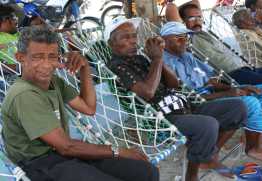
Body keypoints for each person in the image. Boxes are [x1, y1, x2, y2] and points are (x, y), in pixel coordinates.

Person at [1, 26, 159, 181]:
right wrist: (118, 150)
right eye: (37, 57)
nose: (46, 64)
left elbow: (89, 108)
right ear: (20, 58)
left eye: (52, 56)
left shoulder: (53, 81)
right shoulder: (24, 94)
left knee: (145, 171)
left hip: (63, 155)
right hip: (40, 164)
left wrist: (84, 69)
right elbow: (66, 146)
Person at [107, 16, 248, 181]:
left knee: (238, 108)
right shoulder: (117, 66)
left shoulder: (140, 58)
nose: (132, 41)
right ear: (111, 44)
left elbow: (173, 84)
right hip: (162, 119)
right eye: (125, 37)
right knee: (208, 125)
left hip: (183, 105)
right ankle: (192, 174)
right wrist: (157, 58)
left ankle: (208, 156)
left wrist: (157, 57)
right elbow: (148, 93)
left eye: (134, 35)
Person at [165, 0, 262, 132]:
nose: (197, 20)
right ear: (182, 23)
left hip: (246, 68)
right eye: (191, 18)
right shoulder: (186, 39)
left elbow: (196, 6)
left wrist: (195, 16)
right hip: (232, 75)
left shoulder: (204, 33)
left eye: (199, 17)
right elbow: (172, 11)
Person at [161, 21, 262, 167]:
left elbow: (211, 82)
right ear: (164, 41)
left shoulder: (187, 56)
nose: (185, 42)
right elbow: (188, 99)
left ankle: (258, 144)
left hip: (212, 94)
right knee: (249, 103)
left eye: (186, 38)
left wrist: (237, 87)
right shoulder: (164, 64)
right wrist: (228, 93)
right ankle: (216, 153)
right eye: (179, 38)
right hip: (196, 104)